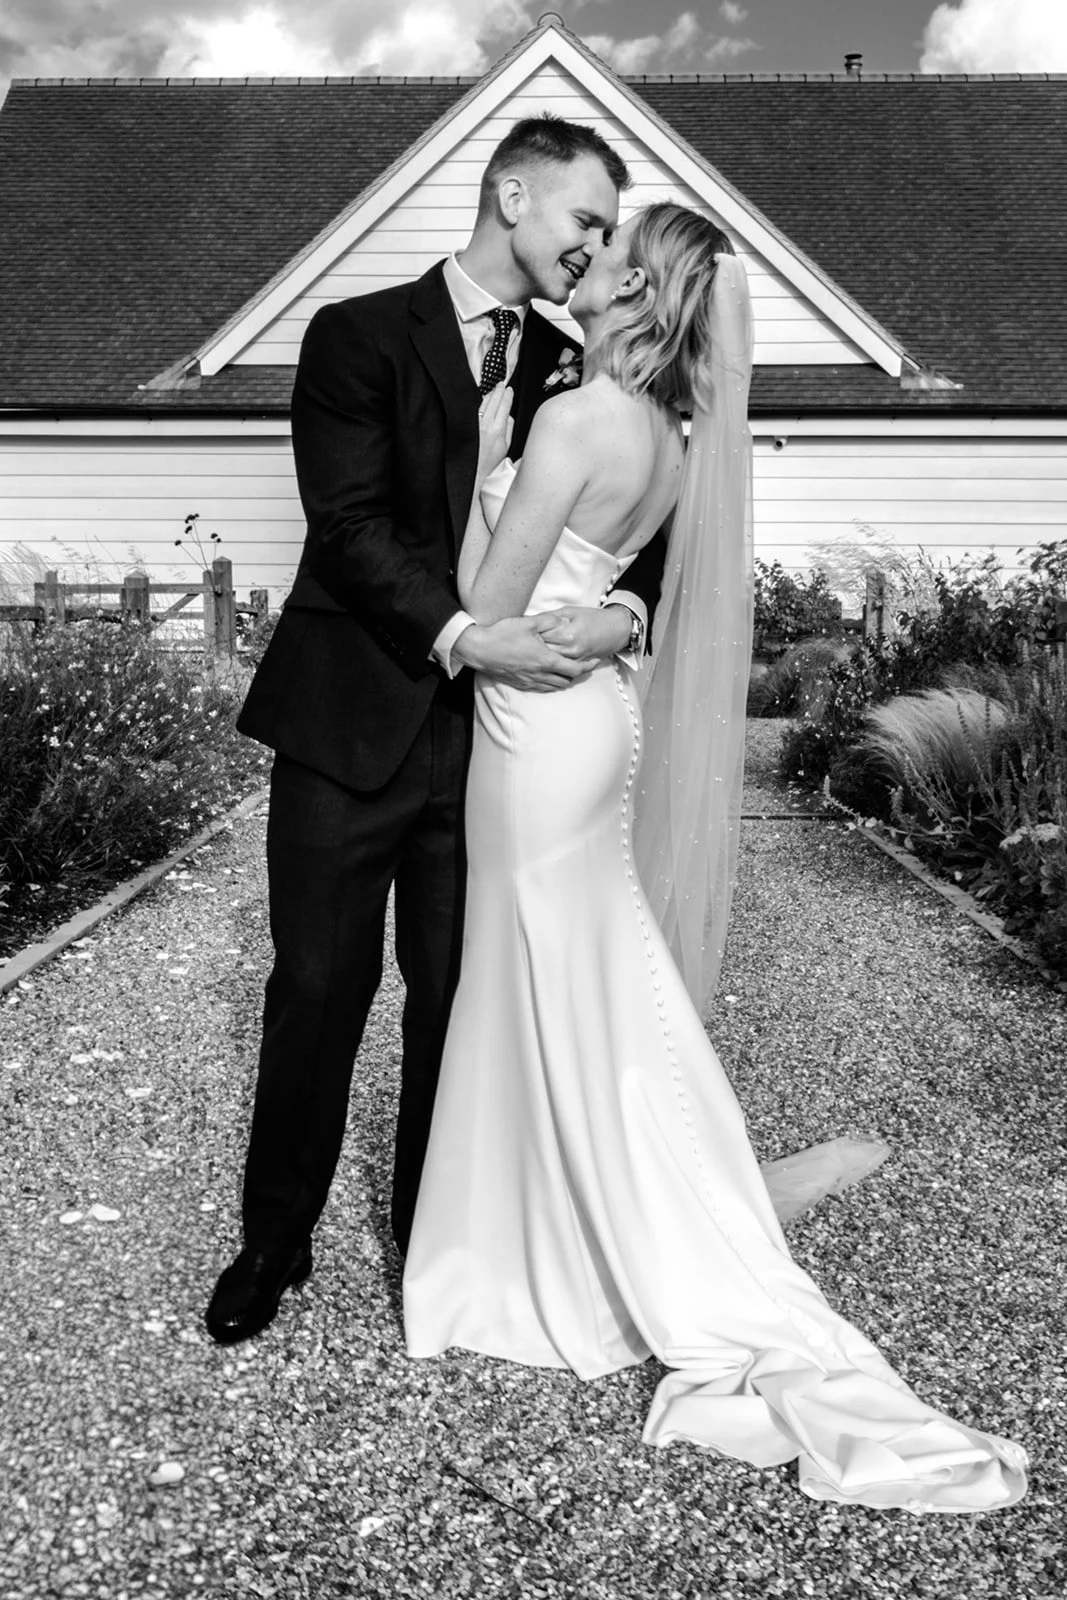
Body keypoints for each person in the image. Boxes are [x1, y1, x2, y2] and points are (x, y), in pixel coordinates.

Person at [401, 203, 1029, 1513]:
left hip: (532, 731)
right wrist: (608, 603)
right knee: (578, 980)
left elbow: (486, 602)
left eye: (611, 261)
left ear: (641, 301)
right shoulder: (668, 439)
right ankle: (573, 1230)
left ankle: (554, 1256)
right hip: (591, 727)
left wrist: (474, 453)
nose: (589, 268)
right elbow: (622, 588)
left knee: (547, 982)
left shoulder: (573, 422)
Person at [205, 117, 666, 1346]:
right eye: (586, 218)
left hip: (496, 748)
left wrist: (623, 608)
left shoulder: (580, 369)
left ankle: (435, 1237)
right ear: (511, 194)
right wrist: (469, 635)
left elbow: (642, 528)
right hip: (348, 722)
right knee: (316, 985)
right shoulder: (353, 335)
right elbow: (347, 529)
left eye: (611, 230)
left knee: (455, 998)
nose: (598, 246)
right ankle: (274, 1238)